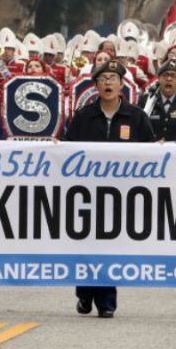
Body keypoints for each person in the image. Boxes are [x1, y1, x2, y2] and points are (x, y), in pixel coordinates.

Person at [61, 58, 155, 318]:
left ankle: (106, 301)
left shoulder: (136, 117)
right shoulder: (84, 116)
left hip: (121, 195)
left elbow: (151, 152)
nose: (108, 83)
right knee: (87, 246)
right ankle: (85, 293)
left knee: (109, 247)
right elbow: (67, 150)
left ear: (122, 84)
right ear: (95, 86)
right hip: (87, 194)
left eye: (113, 79)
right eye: (102, 79)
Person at [139, 59, 176, 142]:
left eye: (174, 75)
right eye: (165, 75)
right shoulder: (146, 101)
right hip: (151, 152)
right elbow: (138, 131)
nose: (169, 78)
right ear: (158, 78)